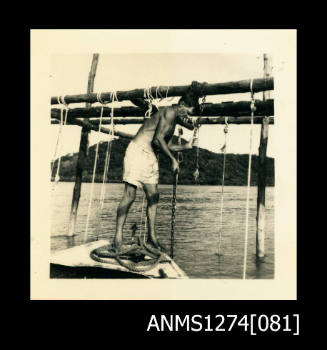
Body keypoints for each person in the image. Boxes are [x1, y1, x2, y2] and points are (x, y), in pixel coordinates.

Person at [113, 84, 203, 251]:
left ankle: (151, 237)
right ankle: (117, 237)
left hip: (149, 155)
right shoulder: (169, 112)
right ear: (182, 106)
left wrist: (186, 147)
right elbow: (157, 140)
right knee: (130, 195)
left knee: (153, 196)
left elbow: (166, 144)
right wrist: (173, 160)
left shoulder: (173, 118)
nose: (188, 118)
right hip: (138, 151)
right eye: (189, 113)